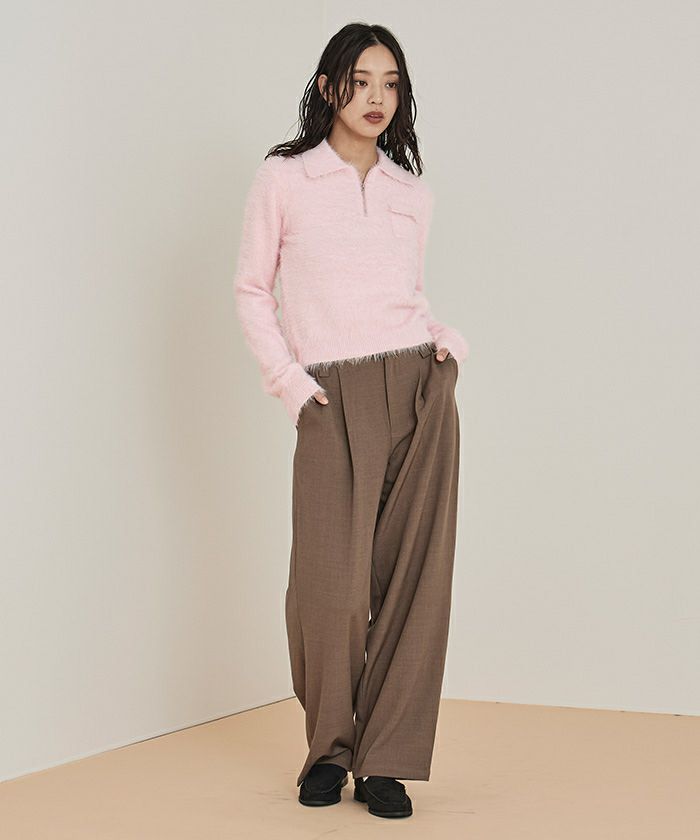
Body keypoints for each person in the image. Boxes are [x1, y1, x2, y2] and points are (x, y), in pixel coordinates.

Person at [233, 22, 469, 820]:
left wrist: (446, 345)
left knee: (413, 580)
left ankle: (385, 759)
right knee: (328, 588)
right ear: (330, 87)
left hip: (419, 385)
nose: (377, 97)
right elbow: (251, 289)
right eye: (361, 81)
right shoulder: (285, 179)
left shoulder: (411, 193)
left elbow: (406, 296)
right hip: (329, 394)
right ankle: (330, 750)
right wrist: (290, 385)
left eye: (390, 83)